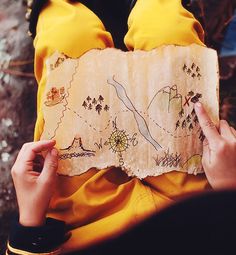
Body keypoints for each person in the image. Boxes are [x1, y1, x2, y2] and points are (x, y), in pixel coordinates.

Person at [6, 0, 236, 254]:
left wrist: (28, 227)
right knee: (166, 29)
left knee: (67, 36)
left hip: (85, 221)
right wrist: (230, 189)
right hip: (190, 204)